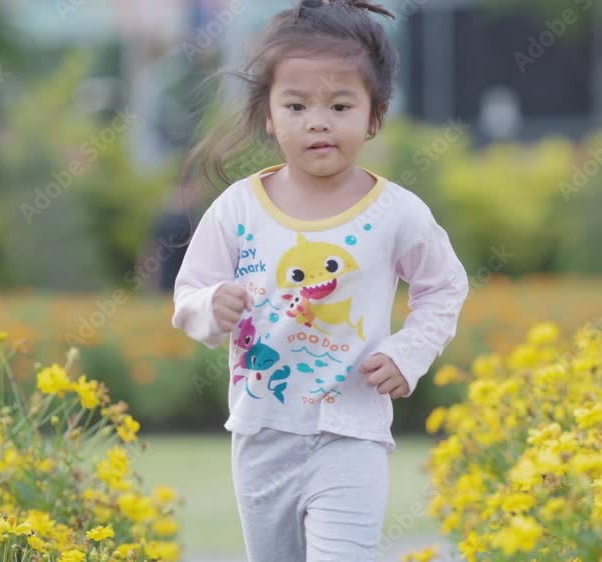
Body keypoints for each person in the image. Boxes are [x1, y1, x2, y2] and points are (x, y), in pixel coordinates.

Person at [170, 1, 470, 560]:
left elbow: (444, 287)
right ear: (268, 115)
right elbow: (187, 297)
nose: (317, 121)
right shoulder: (238, 208)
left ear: (374, 116)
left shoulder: (397, 213)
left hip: (352, 432)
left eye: (340, 105)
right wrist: (213, 305)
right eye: (296, 105)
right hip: (262, 434)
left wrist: (408, 352)